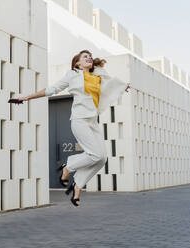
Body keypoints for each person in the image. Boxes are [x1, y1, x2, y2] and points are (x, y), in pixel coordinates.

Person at [8, 50, 130, 206]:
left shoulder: (97, 76)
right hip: (79, 120)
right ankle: (68, 166)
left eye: (90, 57)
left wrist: (122, 86)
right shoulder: (72, 75)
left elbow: (110, 85)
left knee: (101, 159)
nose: (89, 58)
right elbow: (52, 89)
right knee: (94, 155)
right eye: (85, 57)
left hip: (92, 121)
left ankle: (77, 186)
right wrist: (26, 97)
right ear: (77, 63)